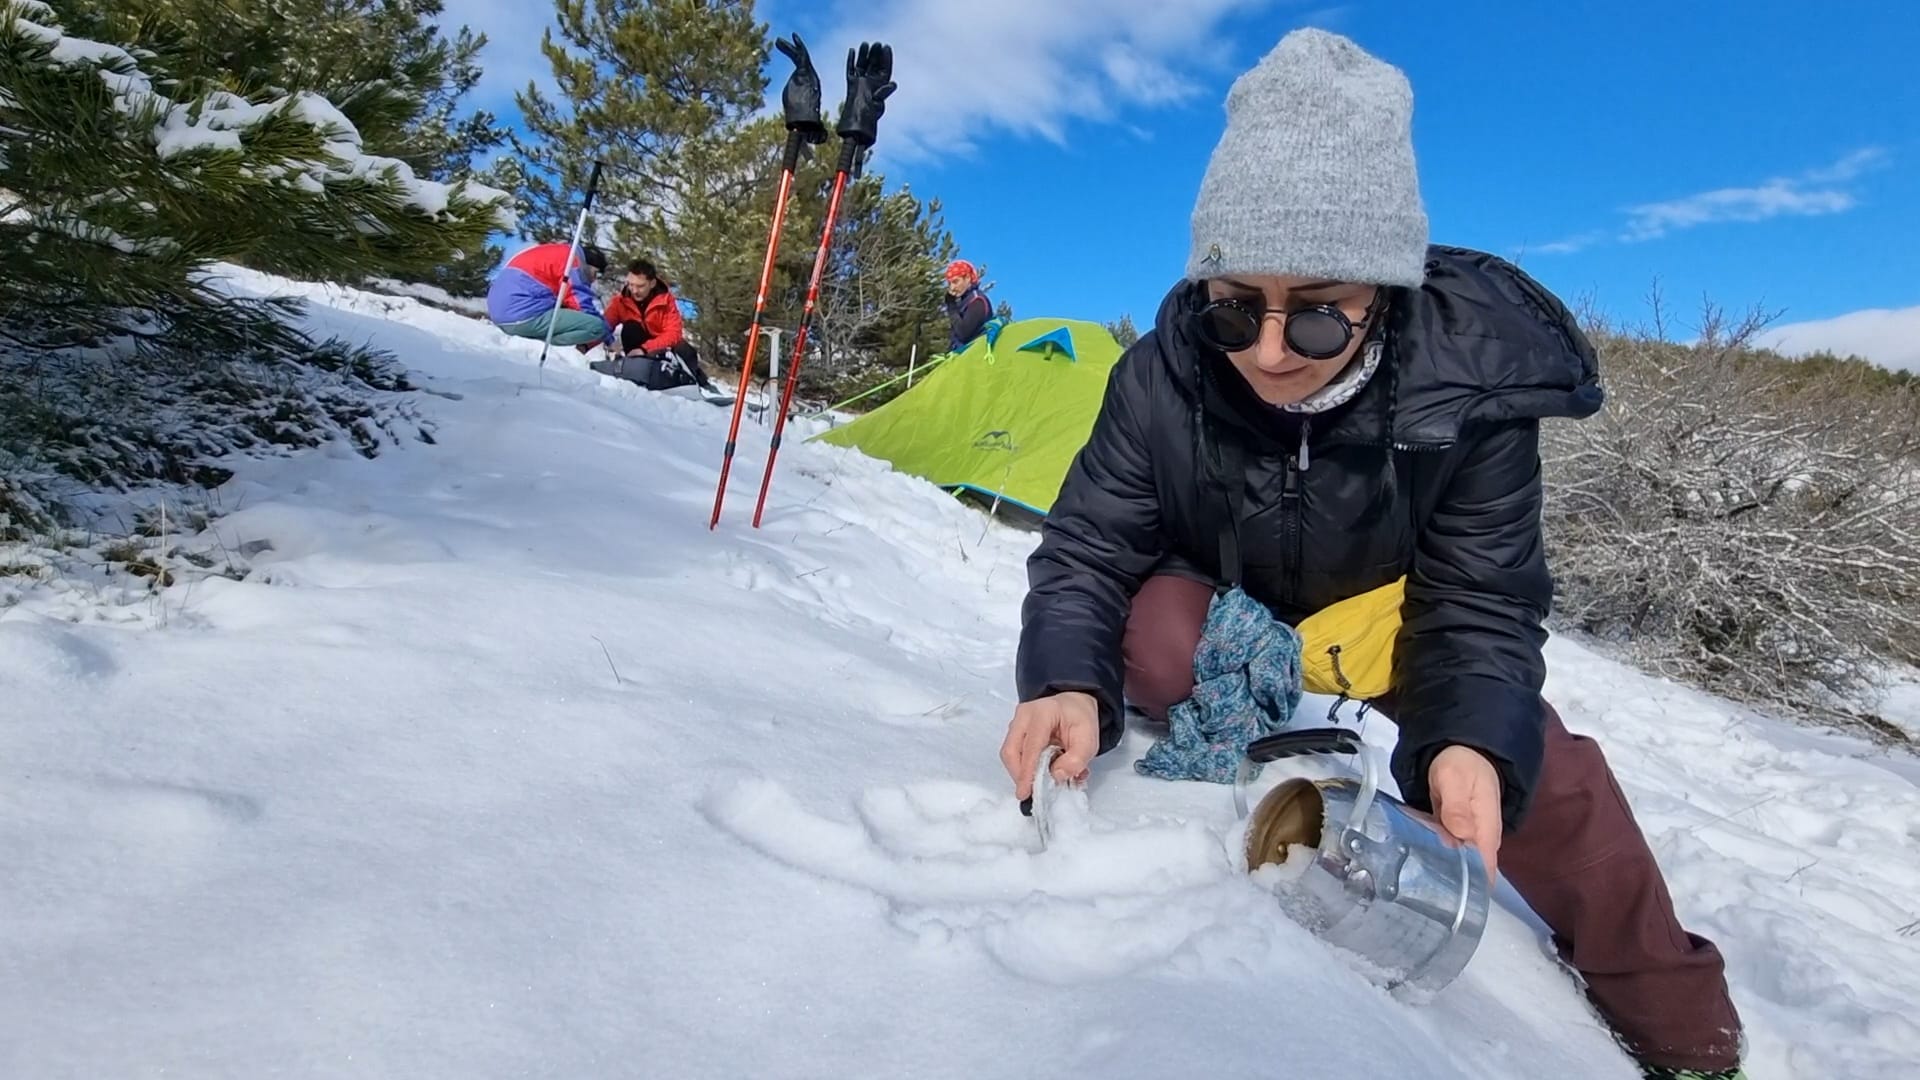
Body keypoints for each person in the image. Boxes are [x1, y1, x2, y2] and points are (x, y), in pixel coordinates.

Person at [998, 28, 1746, 1080]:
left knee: (1539, 775)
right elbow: (1087, 545)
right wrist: (1067, 680)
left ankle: (1687, 1032)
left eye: (1317, 318)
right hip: (1226, 591)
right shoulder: (1157, 379)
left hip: (1387, 613)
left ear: (1381, 294)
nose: (1266, 351)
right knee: (1145, 634)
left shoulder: (1470, 395)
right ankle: (1246, 717)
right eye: (1233, 308)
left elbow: (1482, 601)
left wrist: (1466, 746)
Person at [596, 258, 713, 392]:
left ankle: (697, 383)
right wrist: (584, 345)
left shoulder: (665, 300)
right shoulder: (620, 301)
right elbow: (602, 327)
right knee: (630, 328)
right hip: (637, 352)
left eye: (640, 286)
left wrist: (645, 349)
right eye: (631, 285)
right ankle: (636, 372)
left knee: (685, 349)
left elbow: (674, 333)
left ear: (652, 283)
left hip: (661, 348)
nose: (634, 290)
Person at [485, 240, 612, 349]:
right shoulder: (572, 262)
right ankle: (546, 347)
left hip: (502, 314)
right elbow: (581, 305)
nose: (594, 279)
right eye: (597, 274)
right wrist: (609, 339)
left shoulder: (557, 252)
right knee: (596, 327)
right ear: (589, 265)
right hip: (522, 315)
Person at [941, 259, 993, 352]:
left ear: (968, 278)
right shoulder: (965, 301)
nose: (952, 288)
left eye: (956, 282)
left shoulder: (977, 300)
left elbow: (963, 333)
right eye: (950, 283)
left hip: (976, 355)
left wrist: (951, 306)